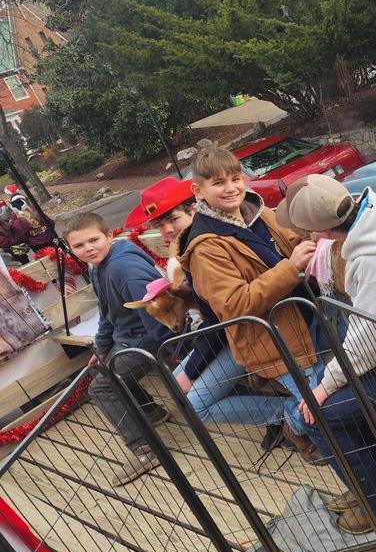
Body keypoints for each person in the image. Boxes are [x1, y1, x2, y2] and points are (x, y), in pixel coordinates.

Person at [275, 174, 376, 533]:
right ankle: (374, 487)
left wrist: (323, 389)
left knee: (319, 413)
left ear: (323, 235)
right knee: (331, 401)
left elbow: (368, 346)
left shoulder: (375, 262)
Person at [175, 148, 325, 465]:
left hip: (302, 319)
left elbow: (290, 242)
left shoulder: (257, 212)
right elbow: (235, 303)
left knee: (321, 398)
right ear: (197, 191)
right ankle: (295, 427)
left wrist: (312, 241)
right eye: (218, 183)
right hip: (273, 340)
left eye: (235, 178)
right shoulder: (206, 247)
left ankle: (301, 425)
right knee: (317, 408)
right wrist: (291, 267)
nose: (231, 188)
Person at [124, 177, 289, 446]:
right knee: (179, 381)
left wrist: (192, 372)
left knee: (193, 404)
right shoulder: (184, 249)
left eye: (172, 220)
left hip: (247, 334)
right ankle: (273, 415)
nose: (166, 230)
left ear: (194, 209)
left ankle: (285, 415)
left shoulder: (203, 250)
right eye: (159, 225)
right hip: (227, 333)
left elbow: (219, 323)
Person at [62, 212, 173, 487]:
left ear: (109, 235)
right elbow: (107, 312)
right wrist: (100, 349)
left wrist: (168, 352)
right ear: (71, 249)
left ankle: (146, 449)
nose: (88, 249)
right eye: (79, 246)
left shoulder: (125, 269)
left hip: (147, 338)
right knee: (99, 368)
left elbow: (158, 313)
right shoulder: (96, 266)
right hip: (127, 335)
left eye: (94, 240)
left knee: (102, 387)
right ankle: (150, 411)